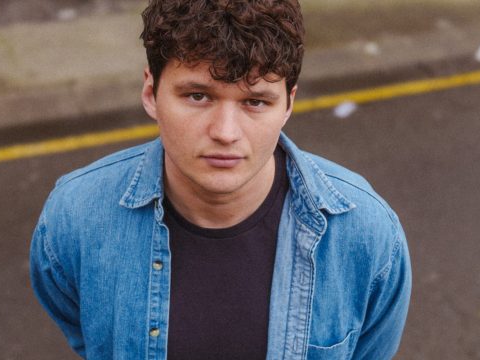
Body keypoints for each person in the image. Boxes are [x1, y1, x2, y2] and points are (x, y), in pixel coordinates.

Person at [30, 0, 412, 359]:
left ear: (289, 104)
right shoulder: (76, 216)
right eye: (198, 96)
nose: (226, 133)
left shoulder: (366, 233)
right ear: (150, 92)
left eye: (255, 102)